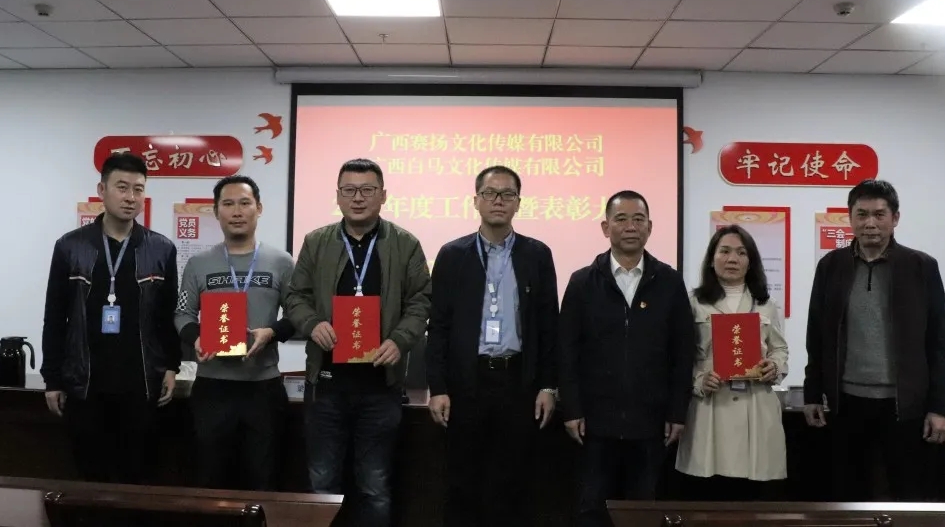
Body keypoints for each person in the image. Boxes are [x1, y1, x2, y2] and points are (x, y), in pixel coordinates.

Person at [283, 158, 432, 526]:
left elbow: (421, 301)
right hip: (326, 387)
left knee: (375, 486)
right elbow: (296, 295)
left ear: (383, 195)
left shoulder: (406, 244)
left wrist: (400, 339)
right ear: (338, 196)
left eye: (367, 190)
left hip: (380, 388)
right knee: (321, 483)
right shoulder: (316, 242)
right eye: (349, 190)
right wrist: (312, 323)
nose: (358, 198)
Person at [803, 179, 945, 502]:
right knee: (848, 493)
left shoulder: (921, 267)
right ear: (850, 218)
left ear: (895, 218)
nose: (870, 223)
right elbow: (816, 335)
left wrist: (941, 406)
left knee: (906, 494)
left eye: (879, 214)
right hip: (846, 403)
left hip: (904, 405)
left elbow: (939, 343)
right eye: (862, 214)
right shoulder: (831, 267)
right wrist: (812, 392)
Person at [426, 165, 559, 527]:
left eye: (507, 194)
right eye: (490, 193)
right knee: (462, 482)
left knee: (513, 482)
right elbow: (438, 326)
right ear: (476, 201)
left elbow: (549, 326)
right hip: (466, 383)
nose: (498, 201)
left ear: (518, 203)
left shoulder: (537, 254)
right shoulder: (453, 254)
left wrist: (548, 385)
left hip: (518, 383)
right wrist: (438, 386)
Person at [40, 151, 181, 485]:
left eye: (138, 189)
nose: (131, 197)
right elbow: (55, 316)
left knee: (137, 476)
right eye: (122, 187)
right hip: (85, 383)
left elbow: (167, 315)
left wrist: (171, 366)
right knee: (90, 475)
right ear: (101, 190)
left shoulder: (161, 249)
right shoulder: (70, 247)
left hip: (141, 383)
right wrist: (52, 379)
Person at [558, 190, 694, 527]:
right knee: (592, 509)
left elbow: (682, 352)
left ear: (650, 227)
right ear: (606, 228)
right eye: (621, 219)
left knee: (642, 510)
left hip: (650, 423)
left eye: (638, 219)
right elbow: (567, 350)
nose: (630, 226)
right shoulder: (582, 282)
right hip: (594, 424)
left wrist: (677, 411)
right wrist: (572, 408)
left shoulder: (669, 282)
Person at [174, 175, 296, 491]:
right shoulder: (198, 263)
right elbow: (182, 313)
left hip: (263, 388)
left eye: (245, 203)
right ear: (216, 212)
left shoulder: (282, 262)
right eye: (228, 204)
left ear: (259, 208)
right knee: (211, 480)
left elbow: (298, 315)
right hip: (212, 389)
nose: (237, 211)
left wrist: (272, 332)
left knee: (264, 480)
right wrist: (197, 338)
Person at [675, 225, 788, 501]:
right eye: (724, 251)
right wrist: (699, 379)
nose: (732, 259)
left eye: (741, 253)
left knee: (752, 498)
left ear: (751, 261)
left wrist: (774, 367)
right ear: (711, 259)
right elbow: (679, 357)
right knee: (709, 496)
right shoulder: (693, 303)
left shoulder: (766, 303)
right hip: (710, 406)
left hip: (755, 406)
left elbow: (780, 349)